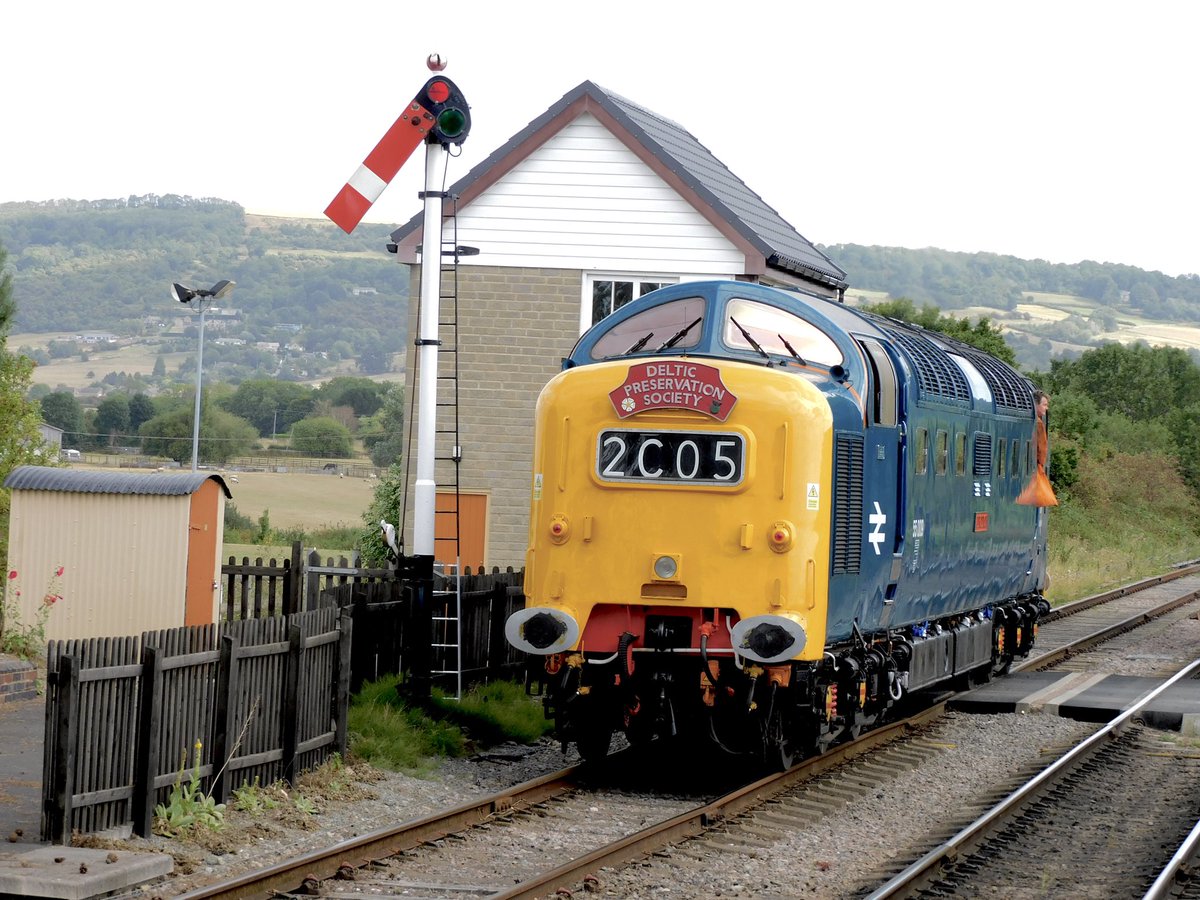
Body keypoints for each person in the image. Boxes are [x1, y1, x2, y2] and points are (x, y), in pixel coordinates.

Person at [1016, 389, 1058, 507]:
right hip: (1036, 468)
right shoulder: (1038, 423)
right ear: (1036, 404)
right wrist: (1040, 465)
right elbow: (1041, 449)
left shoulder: (1029, 421)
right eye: (1044, 405)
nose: (1046, 408)